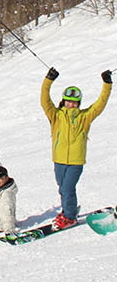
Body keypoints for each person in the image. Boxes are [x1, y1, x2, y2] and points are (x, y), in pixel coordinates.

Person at [41, 67, 112, 229]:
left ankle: (70, 217)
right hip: (59, 160)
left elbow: (100, 104)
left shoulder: (84, 117)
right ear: (64, 101)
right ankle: (68, 209)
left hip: (76, 161)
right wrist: (49, 80)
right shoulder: (56, 115)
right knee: (62, 189)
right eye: (68, 101)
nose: (71, 104)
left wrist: (107, 84)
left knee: (68, 188)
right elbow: (44, 100)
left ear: (78, 103)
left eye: (74, 102)